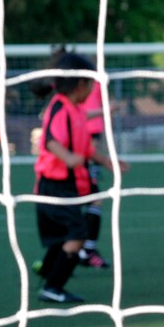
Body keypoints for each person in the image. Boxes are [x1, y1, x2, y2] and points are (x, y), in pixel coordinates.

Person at [31, 52, 100, 303]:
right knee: (76, 235)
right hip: (55, 185)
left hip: (65, 185)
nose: (93, 90)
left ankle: (49, 271)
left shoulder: (75, 109)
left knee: (63, 235)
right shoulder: (60, 107)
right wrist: (69, 158)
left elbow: (85, 147)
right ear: (81, 84)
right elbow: (49, 139)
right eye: (91, 84)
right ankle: (53, 286)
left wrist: (106, 162)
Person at [77, 80, 122, 268]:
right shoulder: (67, 103)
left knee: (92, 201)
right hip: (62, 171)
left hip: (89, 132)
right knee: (77, 209)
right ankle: (84, 252)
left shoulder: (95, 82)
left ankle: (85, 251)